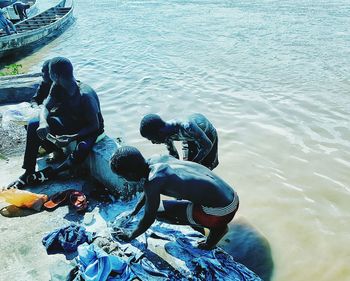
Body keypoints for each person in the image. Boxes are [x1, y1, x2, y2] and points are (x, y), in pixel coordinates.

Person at [110, 146, 239, 250]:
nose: (125, 181)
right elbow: (147, 190)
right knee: (175, 205)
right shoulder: (157, 159)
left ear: (131, 174)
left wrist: (130, 235)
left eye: (123, 177)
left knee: (159, 214)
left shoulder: (153, 182)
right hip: (231, 196)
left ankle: (216, 230)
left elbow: (148, 218)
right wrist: (134, 211)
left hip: (221, 211)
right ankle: (207, 222)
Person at [9, 57, 104, 188]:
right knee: (33, 124)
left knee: (82, 148)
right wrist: (43, 122)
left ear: (55, 75)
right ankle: (28, 171)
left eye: (49, 72)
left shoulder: (85, 95)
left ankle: (54, 172)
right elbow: (46, 107)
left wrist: (72, 138)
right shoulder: (57, 85)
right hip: (71, 122)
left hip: (89, 128)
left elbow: (95, 125)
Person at [140, 113, 219, 170]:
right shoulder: (164, 135)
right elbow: (174, 156)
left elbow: (207, 145)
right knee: (187, 164)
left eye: (152, 139)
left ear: (160, 133)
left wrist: (192, 165)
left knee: (206, 167)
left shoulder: (186, 126)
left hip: (207, 136)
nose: (153, 143)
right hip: (188, 138)